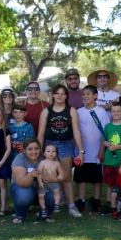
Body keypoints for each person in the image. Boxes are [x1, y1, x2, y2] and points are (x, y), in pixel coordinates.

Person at [37, 84, 85, 216]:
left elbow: (76, 132)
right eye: (57, 93)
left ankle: (71, 206)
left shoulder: (71, 110)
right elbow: (41, 133)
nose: (59, 96)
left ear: (66, 96)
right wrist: (39, 151)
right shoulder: (46, 111)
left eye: (63, 93)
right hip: (49, 145)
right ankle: (46, 207)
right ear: (53, 95)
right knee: (48, 176)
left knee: (67, 177)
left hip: (65, 145)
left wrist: (81, 151)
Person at [74, 85, 109, 213]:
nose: (85, 96)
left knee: (96, 178)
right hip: (82, 151)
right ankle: (81, 200)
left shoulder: (101, 112)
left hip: (96, 151)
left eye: (88, 94)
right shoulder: (79, 112)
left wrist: (101, 150)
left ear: (95, 96)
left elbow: (104, 132)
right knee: (81, 178)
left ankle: (96, 200)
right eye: (83, 94)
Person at [10, 137, 62, 223]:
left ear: (40, 148)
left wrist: (55, 178)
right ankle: (20, 215)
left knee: (56, 193)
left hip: (43, 188)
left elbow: (65, 175)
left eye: (36, 148)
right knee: (24, 194)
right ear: (24, 150)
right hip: (23, 189)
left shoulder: (46, 155)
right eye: (30, 149)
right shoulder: (19, 158)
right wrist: (31, 175)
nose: (34, 152)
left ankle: (45, 214)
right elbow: (21, 183)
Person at [100, 102, 121, 221]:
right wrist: (107, 144)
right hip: (110, 161)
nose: (116, 113)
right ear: (110, 113)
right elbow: (105, 141)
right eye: (113, 111)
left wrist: (116, 147)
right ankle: (110, 204)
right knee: (110, 184)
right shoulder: (108, 127)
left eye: (118, 111)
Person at [37, 143, 64, 219]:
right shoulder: (42, 163)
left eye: (53, 151)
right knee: (41, 195)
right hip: (44, 183)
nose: (51, 153)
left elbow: (60, 171)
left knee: (57, 191)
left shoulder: (56, 163)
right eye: (48, 151)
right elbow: (39, 173)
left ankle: (56, 204)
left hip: (53, 182)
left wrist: (60, 175)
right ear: (44, 153)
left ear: (56, 153)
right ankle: (43, 208)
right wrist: (40, 182)